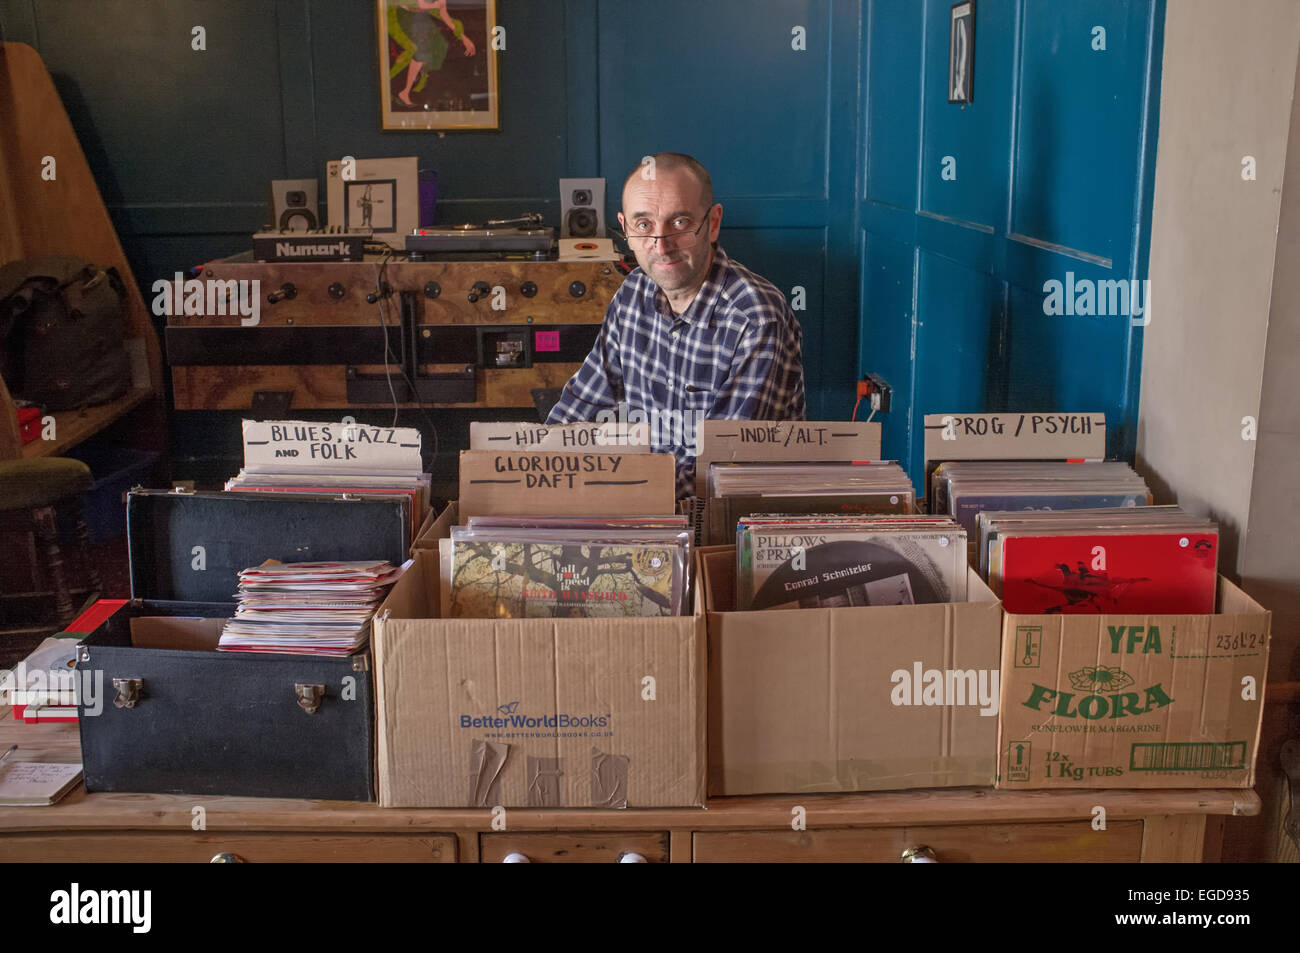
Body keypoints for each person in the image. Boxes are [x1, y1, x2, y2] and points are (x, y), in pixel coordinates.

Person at [547, 153, 806, 498]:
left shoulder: (756, 317)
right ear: (625, 228)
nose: (661, 246)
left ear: (713, 223)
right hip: (646, 501)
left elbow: (722, 467)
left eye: (680, 223)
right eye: (644, 225)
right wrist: (536, 466)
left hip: (729, 521)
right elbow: (585, 403)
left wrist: (610, 494)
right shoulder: (632, 293)